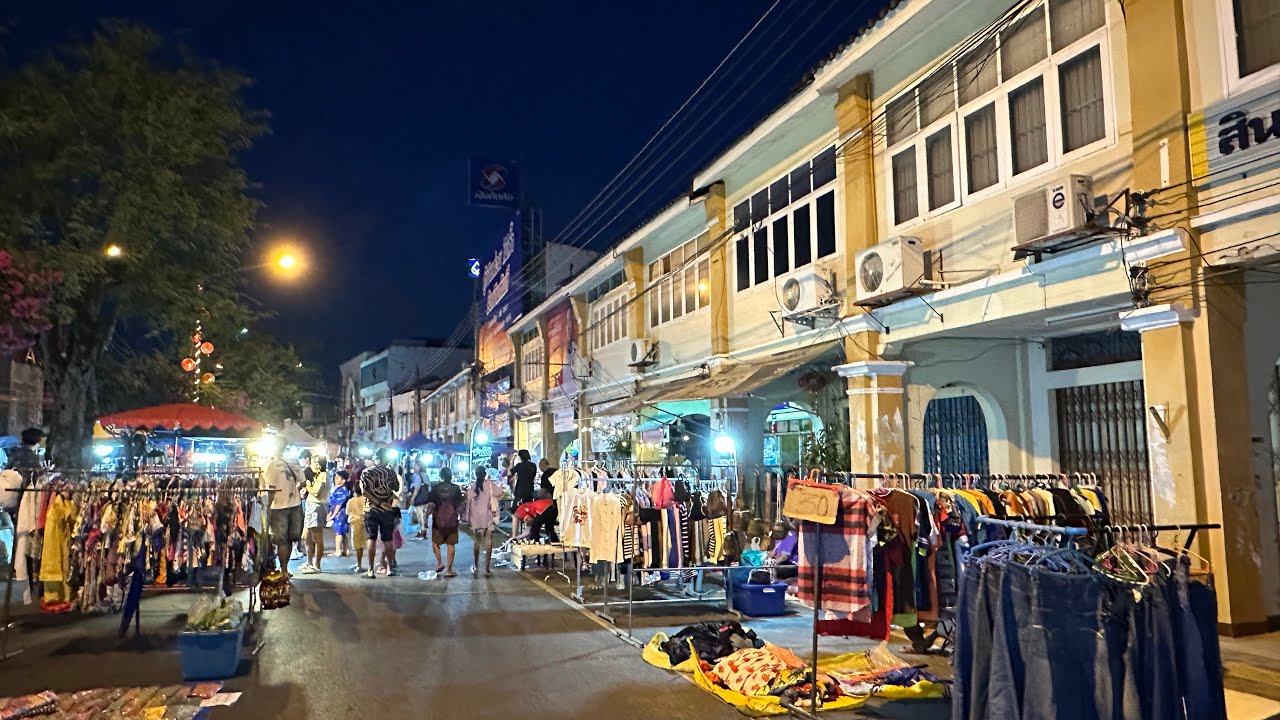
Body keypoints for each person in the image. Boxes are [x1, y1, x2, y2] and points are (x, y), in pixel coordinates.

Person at [360, 449, 401, 578]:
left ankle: (371, 570)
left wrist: (377, 502)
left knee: (371, 538)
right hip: (387, 510)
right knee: (388, 539)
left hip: (371, 509)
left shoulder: (366, 472)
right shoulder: (391, 472)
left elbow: (364, 491)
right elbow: (396, 488)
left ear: (376, 459)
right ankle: (389, 568)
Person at [263, 450, 306, 575]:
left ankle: (284, 570)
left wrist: (268, 507)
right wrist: (294, 490)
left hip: (278, 506)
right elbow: (303, 481)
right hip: (295, 505)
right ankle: (285, 569)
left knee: (282, 541)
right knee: (291, 539)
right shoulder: (294, 463)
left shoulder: (272, 465)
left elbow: (271, 489)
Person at [427, 467, 464, 578]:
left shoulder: (435, 488)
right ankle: (449, 569)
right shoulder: (456, 488)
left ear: (441, 476)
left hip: (438, 520)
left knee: (435, 542)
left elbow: (431, 504)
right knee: (451, 544)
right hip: (452, 520)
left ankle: (439, 563)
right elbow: (459, 504)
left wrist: (425, 519)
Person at [1, 428, 43, 520]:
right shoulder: (32, 458)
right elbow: (37, 478)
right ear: (37, 441)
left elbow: (6, 468)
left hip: (10, 496)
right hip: (24, 496)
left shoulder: (15, 453)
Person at [466, 466, 499, 576]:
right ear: (485, 473)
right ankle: (487, 568)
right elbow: (500, 492)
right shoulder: (489, 484)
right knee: (488, 541)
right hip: (488, 516)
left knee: (477, 542)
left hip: (476, 518)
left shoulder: (473, 486)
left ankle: (476, 566)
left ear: (475, 474)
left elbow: (468, 500)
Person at [299, 451, 328, 573]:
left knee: (317, 537)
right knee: (306, 537)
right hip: (310, 506)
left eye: (315, 463)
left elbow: (317, 492)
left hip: (317, 507)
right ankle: (309, 562)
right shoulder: (317, 476)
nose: (312, 465)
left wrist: (307, 486)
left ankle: (317, 565)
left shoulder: (323, 475)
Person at [511, 449, 537, 534]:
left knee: (515, 513)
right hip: (530, 492)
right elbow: (533, 477)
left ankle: (514, 536)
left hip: (520, 492)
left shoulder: (519, 466)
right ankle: (527, 534)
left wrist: (512, 460)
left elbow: (509, 472)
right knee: (528, 513)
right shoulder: (533, 466)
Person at [328, 470, 353, 558]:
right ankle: (345, 550)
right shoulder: (339, 489)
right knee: (343, 532)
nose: (335, 479)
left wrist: (333, 515)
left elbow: (338, 505)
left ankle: (338, 551)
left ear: (343, 481)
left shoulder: (342, 490)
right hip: (340, 513)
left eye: (337, 478)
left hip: (340, 514)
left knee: (339, 533)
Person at [345, 484, 368, 573]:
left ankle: (359, 565)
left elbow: (347, 512)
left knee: (357, 545)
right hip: (364, 523)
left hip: (354, 524)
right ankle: (359, 563)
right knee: (360, 545)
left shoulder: (351, 501)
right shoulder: (366, 500)